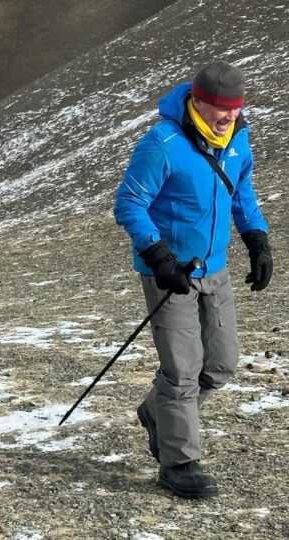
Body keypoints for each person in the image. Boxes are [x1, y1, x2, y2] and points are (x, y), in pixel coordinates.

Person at [114, 60, 273, 499]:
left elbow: (241, 192)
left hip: (214, 269)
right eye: (221, 108)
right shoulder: (162, 143)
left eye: (235, 108)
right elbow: (129, 203)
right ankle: (178, 462)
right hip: (170, 275)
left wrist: (257, 239)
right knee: (182, 370)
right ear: (197, 102)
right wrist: (158, 254)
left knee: (220, 364)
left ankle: (157, 411)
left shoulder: (238, 138)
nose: (229, 116)